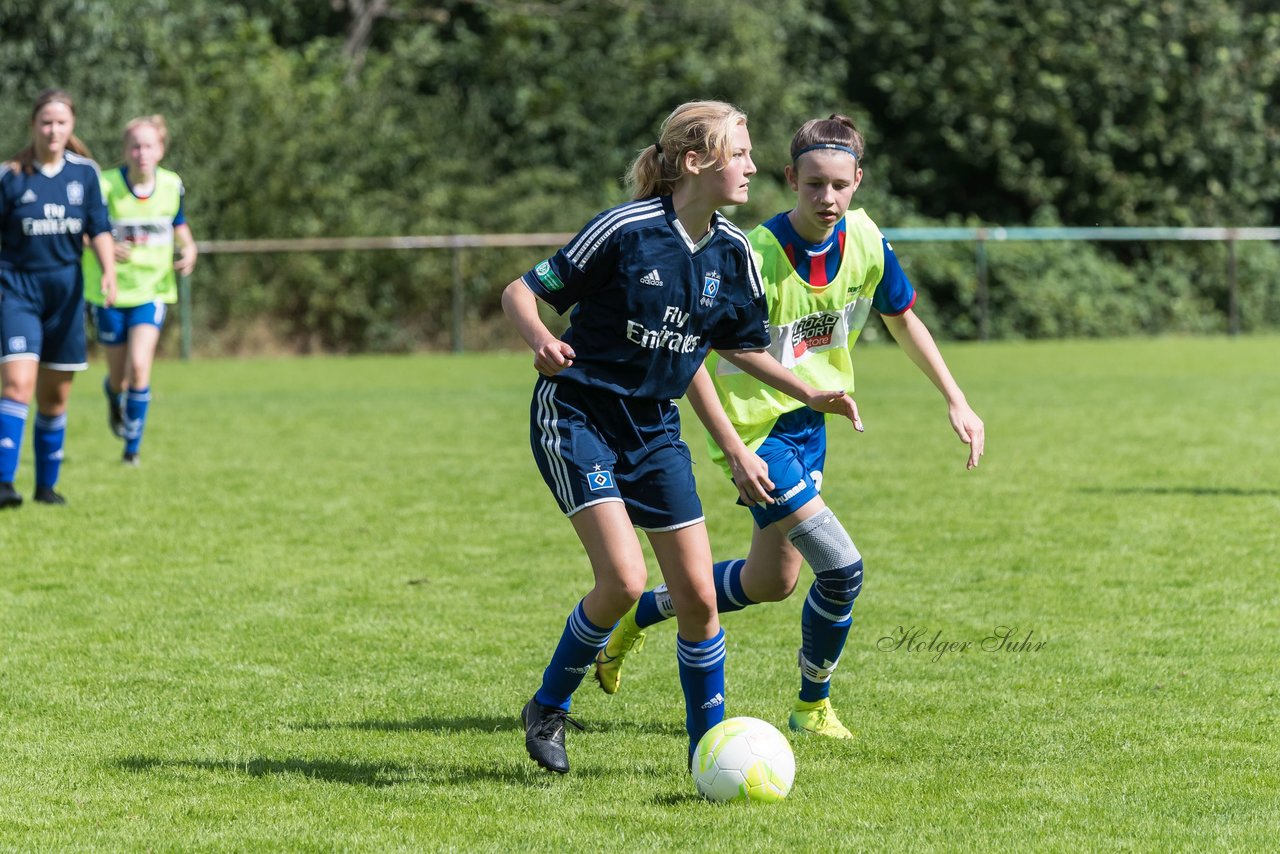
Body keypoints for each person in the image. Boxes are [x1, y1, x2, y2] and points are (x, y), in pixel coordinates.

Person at [593, 114, 985, 739]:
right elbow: (692, 351)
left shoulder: (867, 240)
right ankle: (812, 706)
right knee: (843, 568)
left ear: (858, 180)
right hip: (755, 433)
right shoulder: (754, 256)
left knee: (770, 582)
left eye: (839, 185)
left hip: (810, 426)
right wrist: (730, 445)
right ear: (790, 180)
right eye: (812, 185)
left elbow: (903, 317)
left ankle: (640, 615)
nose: (826, 199)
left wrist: (955, 398)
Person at [501, 101, 861, 775]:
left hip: (656, 428)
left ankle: (708, 752)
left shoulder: (732, 253)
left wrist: (807, 392)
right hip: (578, 413)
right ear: (696, 161)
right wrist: (544, 341)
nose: (755, 166)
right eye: (743, 153)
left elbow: (739, 346)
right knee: (624, 579)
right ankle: (548, 705)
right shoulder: (625, 229)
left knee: (698, 597)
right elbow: (521, 292)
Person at [0, 88, 116, 509]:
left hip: (65, 297)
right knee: (18, 385)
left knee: (55, 397)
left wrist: (109, 271)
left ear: (72, 127)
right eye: (46, 122)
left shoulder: (85, 174)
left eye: (61, 122)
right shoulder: (10, 177)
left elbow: (99, 227)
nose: (53, 130)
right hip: (16, 292)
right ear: (33, 124)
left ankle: (46, 487)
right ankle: (3, 483)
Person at [83, 114, 197, 465]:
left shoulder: (170, 185)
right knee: (118, 377)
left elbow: (178, 222)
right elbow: (82, 229)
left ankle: (131, 451)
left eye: (149, 145)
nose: (141, 152)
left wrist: (189, 246)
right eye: (135, 145)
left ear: (160, 150)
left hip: (152, 290)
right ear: (125, 150)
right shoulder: (104, 185)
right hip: (110, 292)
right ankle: (112, 395)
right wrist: (100, 244)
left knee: (139, 367)